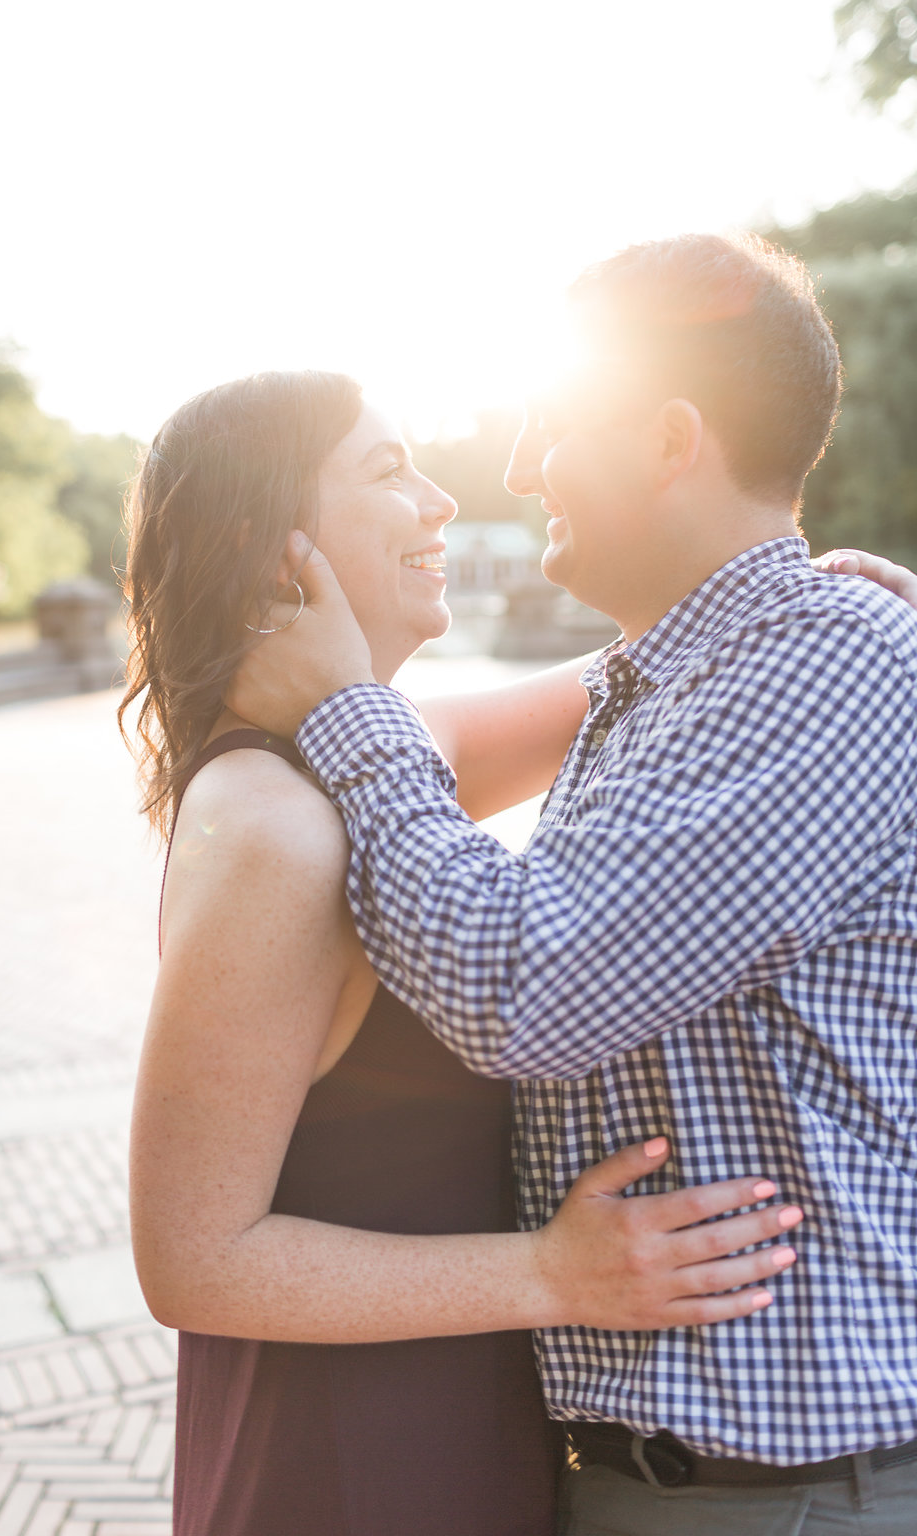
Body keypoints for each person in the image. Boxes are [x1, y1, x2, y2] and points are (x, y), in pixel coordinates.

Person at [228, 236, 917, 1535]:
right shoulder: (667, 678)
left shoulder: (825, 666)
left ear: (667, 440)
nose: (517, 466)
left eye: (553, 422)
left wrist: (343, 708)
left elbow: (527, 989)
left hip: (789, 1494)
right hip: (680, 1477)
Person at [119, 370, 808, 1536]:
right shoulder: (274, 825)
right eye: (389, 473)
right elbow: (192, 1260)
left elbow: (630, 675)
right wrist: (551, 1274)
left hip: (456, 1421)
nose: (443, 502)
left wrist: (816, 593)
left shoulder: (353, 753)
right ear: (268, 544)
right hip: (351, 1465)